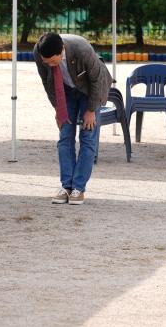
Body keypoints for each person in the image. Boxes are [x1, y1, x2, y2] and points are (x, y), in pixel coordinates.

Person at [33, 32, 113, 205]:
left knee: (88, 136)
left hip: (90, 90)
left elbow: (97, 80)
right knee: (65, 136)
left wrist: (91, 110)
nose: (50, 65)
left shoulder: (81, 48)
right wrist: (58, 109)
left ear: (62, 49)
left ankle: (78, 188)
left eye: (54, 62)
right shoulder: (39, 53)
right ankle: (66, 186)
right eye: (47, 62)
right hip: (65, 91)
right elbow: (47, 83)